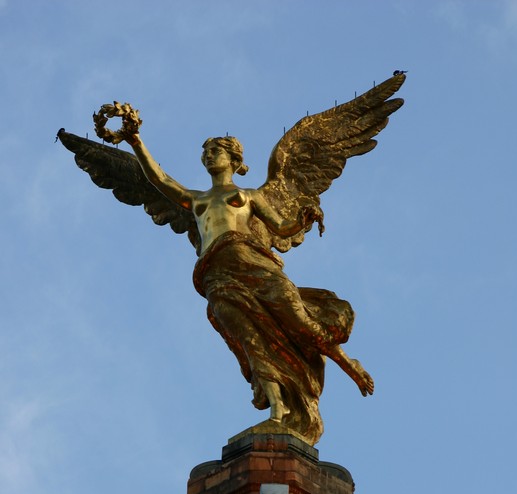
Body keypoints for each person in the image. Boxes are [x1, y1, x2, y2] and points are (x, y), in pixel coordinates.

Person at [125, 132, 374, 444]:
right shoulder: (196, 200)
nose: (209, 155)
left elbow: (282, 228)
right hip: (217, 276)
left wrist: (304, 217)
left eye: (216, 150)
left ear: (234, 160)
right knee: (250, 341)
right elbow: (159, 179)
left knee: (298, 320)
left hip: (255, 263)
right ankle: (278, 409)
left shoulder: (249, 196)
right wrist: (135, 140)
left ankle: (348, 362)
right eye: (206, 151)